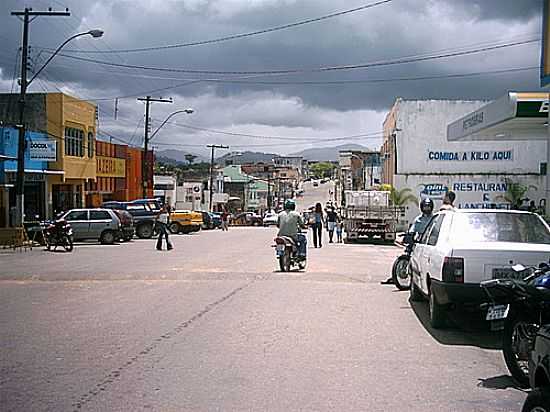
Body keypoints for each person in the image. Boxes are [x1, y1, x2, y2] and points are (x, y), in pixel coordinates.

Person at [381, 198, 434, 284]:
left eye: (428, 207)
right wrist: (407, 236)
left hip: (428, 243)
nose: (426, 209)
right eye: (425, 207)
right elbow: (412, 229)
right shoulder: (418, 219)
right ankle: (397, 273)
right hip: (418, 241)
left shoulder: (434, 219)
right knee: (408, 251)